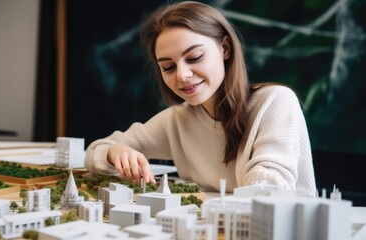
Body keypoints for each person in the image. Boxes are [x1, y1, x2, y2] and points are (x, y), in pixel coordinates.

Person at [85, 1, 316, 197]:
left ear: (224, 49)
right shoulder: (176, 120)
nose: (182, 75)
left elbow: (267, 190)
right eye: (168, 67)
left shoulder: (275, 102)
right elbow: (95, 152)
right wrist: (115, 152)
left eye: (194, 57)